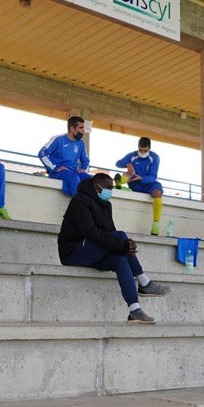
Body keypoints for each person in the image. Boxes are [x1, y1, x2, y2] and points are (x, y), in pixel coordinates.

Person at [58, 172, 170, 323]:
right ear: (96, 185)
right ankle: (144, 282)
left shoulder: (106, 205)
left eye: (111, 188)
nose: (109, 191)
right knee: (121, 238)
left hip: (92, 251)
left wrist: (125, 247)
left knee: (120, 258)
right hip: (74, 251)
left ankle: (134, 310)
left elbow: (111, 233)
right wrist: (122, 244)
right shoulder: (80, 200)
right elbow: (90, 233)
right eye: (107, 187)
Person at [115, 137, 165, 235]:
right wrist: (127, 165)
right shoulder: (132, 155)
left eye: (145, 151)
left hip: (149, 184)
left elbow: (153, 176)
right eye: (140, 150)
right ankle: (119, 183)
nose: (142, 153)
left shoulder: (154, 157)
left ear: (149, 149)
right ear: (138, 148)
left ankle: (155, 224)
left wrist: (142, 178)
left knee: (158, 193)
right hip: (135, 182)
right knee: (128, 173)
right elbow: (117, 163)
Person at [40, 116, 91, 196]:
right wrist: (55, 168)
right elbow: (42, 154)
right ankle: (79, 205)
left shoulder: (81, 143)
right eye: (80, 128)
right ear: (72, 129)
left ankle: (91, 206)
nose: (83, 131)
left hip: (74, 172)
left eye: (83, 128)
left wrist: (83, 169)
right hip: (58, 173)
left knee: (90, 180)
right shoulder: (58, 139)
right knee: (74, 178)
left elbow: (85, 160)